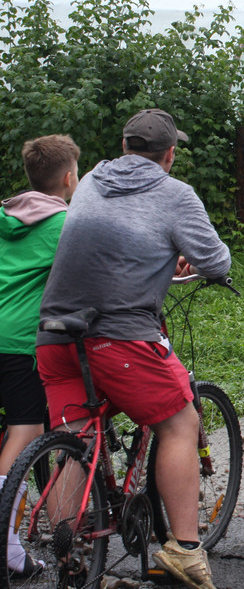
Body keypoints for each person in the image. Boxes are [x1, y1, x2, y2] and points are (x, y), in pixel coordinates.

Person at [36, 109, 231, 589]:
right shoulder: (174, 193)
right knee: (181, 420)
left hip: (56, 337)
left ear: (123, 147)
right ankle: (185, 550)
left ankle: (71, 552)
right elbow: (216, 259)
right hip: (119, 339)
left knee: (76, 441)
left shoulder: (92, 179)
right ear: (169, 154)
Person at [0, 134, 80, 576]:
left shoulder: (3, 217)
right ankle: (7, 547)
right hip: (20, 342)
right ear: (68, 178)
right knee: (25, 431)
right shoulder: (64, 225)